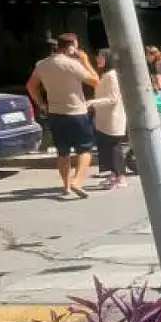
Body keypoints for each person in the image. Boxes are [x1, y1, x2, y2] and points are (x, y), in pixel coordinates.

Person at [26, 34, 99, 199]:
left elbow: (30, 86)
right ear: (71, 46)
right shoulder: (72, 64)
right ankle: (77, 182)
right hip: (77, 112)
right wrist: (85, 60)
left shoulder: (42, 64)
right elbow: (95, 81)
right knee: (85, 150)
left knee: (62, 152)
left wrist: (41, 103)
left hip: (55, 113)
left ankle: (66, 186)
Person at [86, 49, 128, 189]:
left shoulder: (112, 75)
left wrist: (93, 102)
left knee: (114, 148)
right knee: (106, 148)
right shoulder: (105, 75)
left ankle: (121, 177)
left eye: (101, 57)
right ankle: (113, 175)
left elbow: (113, 98)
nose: (98, 59)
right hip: (103, 118)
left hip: (112, 117)